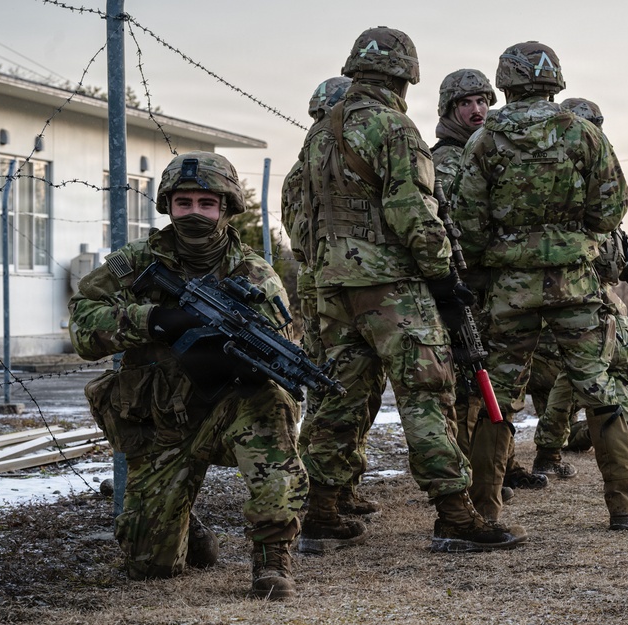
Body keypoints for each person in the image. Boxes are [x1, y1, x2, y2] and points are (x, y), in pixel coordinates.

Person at [296, 26, 527, 553]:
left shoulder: (319, 132)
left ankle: (321, 511)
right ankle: (455, 514)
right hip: (393, 289)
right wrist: (445, 277)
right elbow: (413, 211)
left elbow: (304, 215)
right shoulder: (394, 127)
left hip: (332, 287)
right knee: (427, 396)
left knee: (341, 399)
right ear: (406, 76)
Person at [69, 152, 306, 599]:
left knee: (272, 406)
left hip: (231, 411)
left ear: (226, 207)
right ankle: (184, 521)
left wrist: (248, 362)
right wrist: (152, 319)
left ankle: (272, 558)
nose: (194, 212)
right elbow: (83, 324)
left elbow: (280, 346)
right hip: (163, 421)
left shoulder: (255, 274)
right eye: (184, 203)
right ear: (168, 206)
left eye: (206, 203)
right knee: (149, 568)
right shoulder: (136, 261)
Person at [451, 41, 628, 530]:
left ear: (505, 83)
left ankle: (485, 509)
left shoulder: (484, 142)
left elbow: (466, 222)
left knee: (497, 394)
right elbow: (610, 210)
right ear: (554, 80)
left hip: (509, 287)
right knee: (599, 388)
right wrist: (569, 234)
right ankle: (625, 505)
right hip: (576, 283)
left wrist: (492, 263)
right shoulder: (583, 134)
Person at [529, 97, 628, 495]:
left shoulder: (568, 174)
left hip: (581, 295)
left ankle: (549, 452)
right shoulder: (576, 181)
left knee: (570, 380)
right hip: (585, 296)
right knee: (617, 380)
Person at [430, 68, 547, 519]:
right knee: (465, 384)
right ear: (449, 109)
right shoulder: (446, 159)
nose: (478, 109)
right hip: (462, 284)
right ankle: (463, 478)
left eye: (483, 100)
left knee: (489, 380)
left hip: (487, 283)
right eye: (467, 102)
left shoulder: (487, 148)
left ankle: (499, 467)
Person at [281, 76, 386, 516]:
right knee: (337, 388)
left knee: (351, 386)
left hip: (324, 279)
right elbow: (303, 237)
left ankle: (340, 484)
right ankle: (319, 489)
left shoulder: (304, 168)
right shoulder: (314, 169)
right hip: (332, 283)